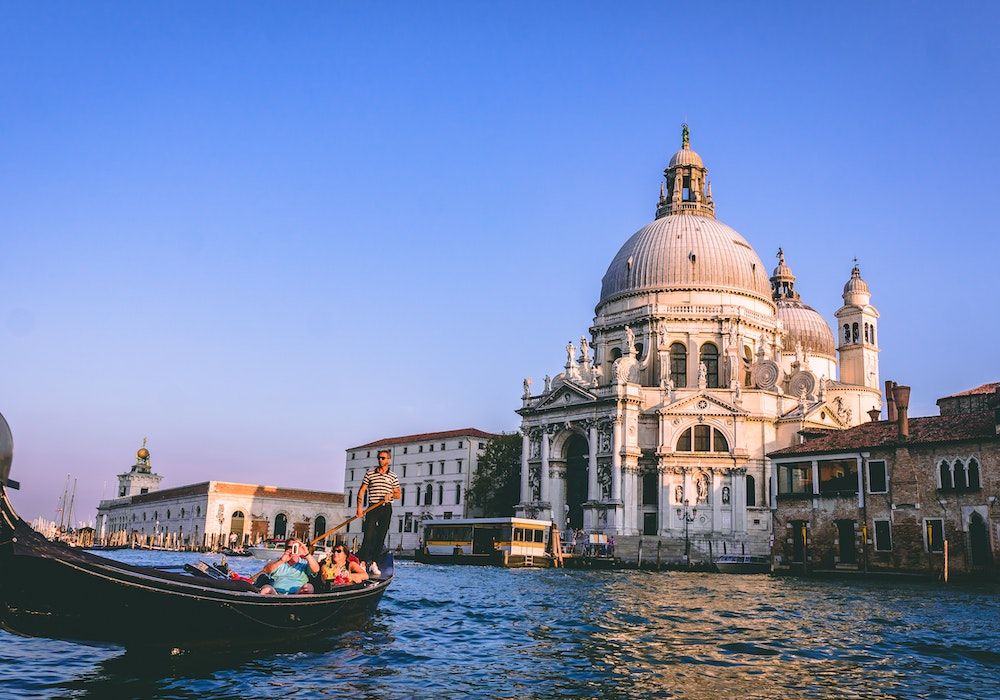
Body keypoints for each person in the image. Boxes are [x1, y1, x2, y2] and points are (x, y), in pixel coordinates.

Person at [356, 449, 401, 577]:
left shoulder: (393, 476)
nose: (380, 460)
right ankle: (363, 562)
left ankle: (374, 562)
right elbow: (361, 491)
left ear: (388, 460)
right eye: (379, 458)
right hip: (372, 508)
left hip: (386, 508)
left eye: (383, 458)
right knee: (368, 534)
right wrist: (359, 508)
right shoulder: (370, 474)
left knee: (381, 535)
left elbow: (398, 494)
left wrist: (391, 494)